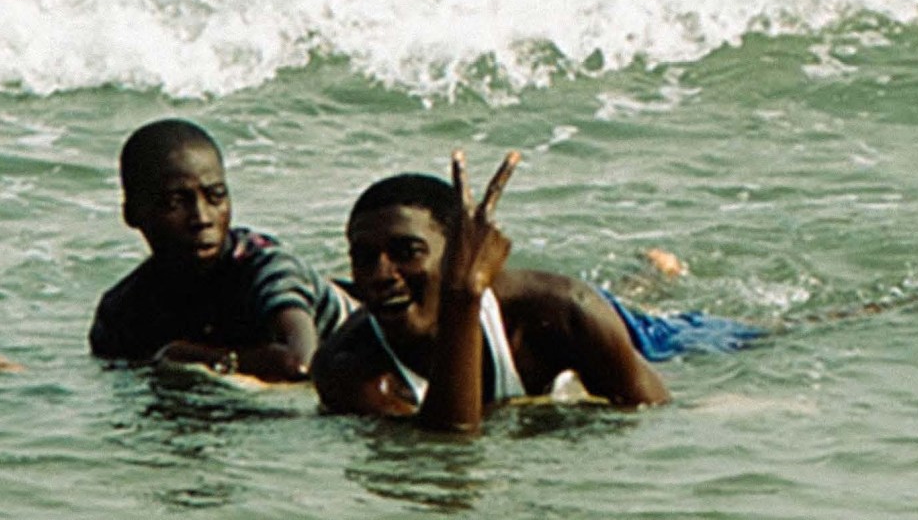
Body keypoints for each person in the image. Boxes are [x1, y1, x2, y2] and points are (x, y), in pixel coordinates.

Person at [314, 152, 761, 430]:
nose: (380, 274)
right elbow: (448, 454)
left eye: (407, 252)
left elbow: (656, 417)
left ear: (461, 254)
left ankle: (650, 278)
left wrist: (465, 294)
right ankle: (646, 276)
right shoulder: (346, 365)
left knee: (767, 334)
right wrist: (462, 299)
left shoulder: (563, 312)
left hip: (635, 334)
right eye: (364, 256)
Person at [89, 117, 353, 381]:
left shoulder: (269, 269)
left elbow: (300, 364)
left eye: (215, 196)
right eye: (175, 202)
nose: (202, 218)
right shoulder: (121, 312)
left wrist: (196, 358)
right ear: (132, 213)